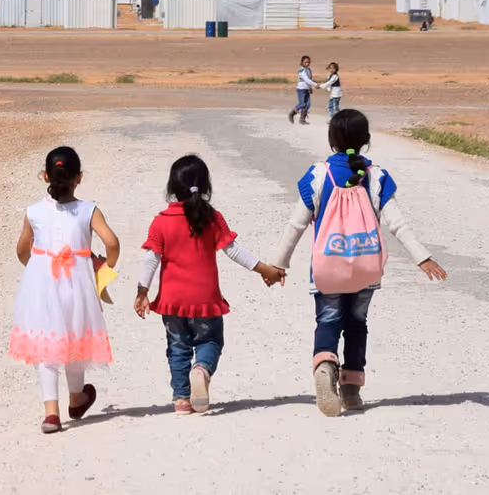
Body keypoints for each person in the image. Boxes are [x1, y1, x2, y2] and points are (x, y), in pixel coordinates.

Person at [270, 109, 449, 417]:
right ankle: (351, 390)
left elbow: (296, 225)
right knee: (357, 325)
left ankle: (325, 366)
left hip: (327, 268)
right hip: (366, 268)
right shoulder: (377, 176)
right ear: (366, 140)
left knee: (327, 321)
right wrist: (422, 256)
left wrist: (279, 263)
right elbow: (397, 224)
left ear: (331, 140)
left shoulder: (317, 175)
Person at [134, 155, 286, 415]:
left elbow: (151, 260)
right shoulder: (212, 218)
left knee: (178, 347)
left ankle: (181, 400)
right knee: (210, 340)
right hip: (205, 299)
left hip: (172, 301)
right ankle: (201, 369)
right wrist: (265, 269)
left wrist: (142, 292)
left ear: (172, 188)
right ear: (205, 187)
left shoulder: (160, 222)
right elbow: (235, 251)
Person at [9, 147, 120, 434]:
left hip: (42, 283)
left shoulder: (33, 211)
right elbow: (112, 242)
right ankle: (77, 397)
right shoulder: (88, 210)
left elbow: (22, 250)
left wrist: (36, 268)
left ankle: (51, 413)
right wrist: (105, 267)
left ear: (45, 175)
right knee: (74, 336)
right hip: (78, 283)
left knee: (48, 342)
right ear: (79, 178)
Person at [288, 55, 316, 125]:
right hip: (301, 89)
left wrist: (310, 88)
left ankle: (302, 119)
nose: (307, 64)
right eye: (305, 62)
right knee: (301, 104)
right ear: (302, 62)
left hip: (307, 89)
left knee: (308, 104)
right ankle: (291, 114)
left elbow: (310, 79)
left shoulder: (309, 70)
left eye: (308, 62)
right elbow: (306, 79)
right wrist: (316, 85)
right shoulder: (301, 70)